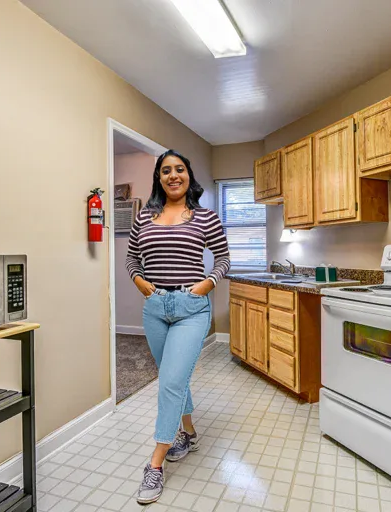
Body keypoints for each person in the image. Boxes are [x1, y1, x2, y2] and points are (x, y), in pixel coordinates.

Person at [126, 149, 231, 504]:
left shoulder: (206, 217)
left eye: (180, 169)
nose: (173, 175)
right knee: (174, 377)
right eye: (166, 170)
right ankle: (188, 432)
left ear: (189, 176)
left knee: (170, 382)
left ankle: (155, 465)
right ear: (158, 177)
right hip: (155, 307)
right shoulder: (143, 217)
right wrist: (139, 280)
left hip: (191, 307)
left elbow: (224, 258)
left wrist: (207, 284)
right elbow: (131, 258)